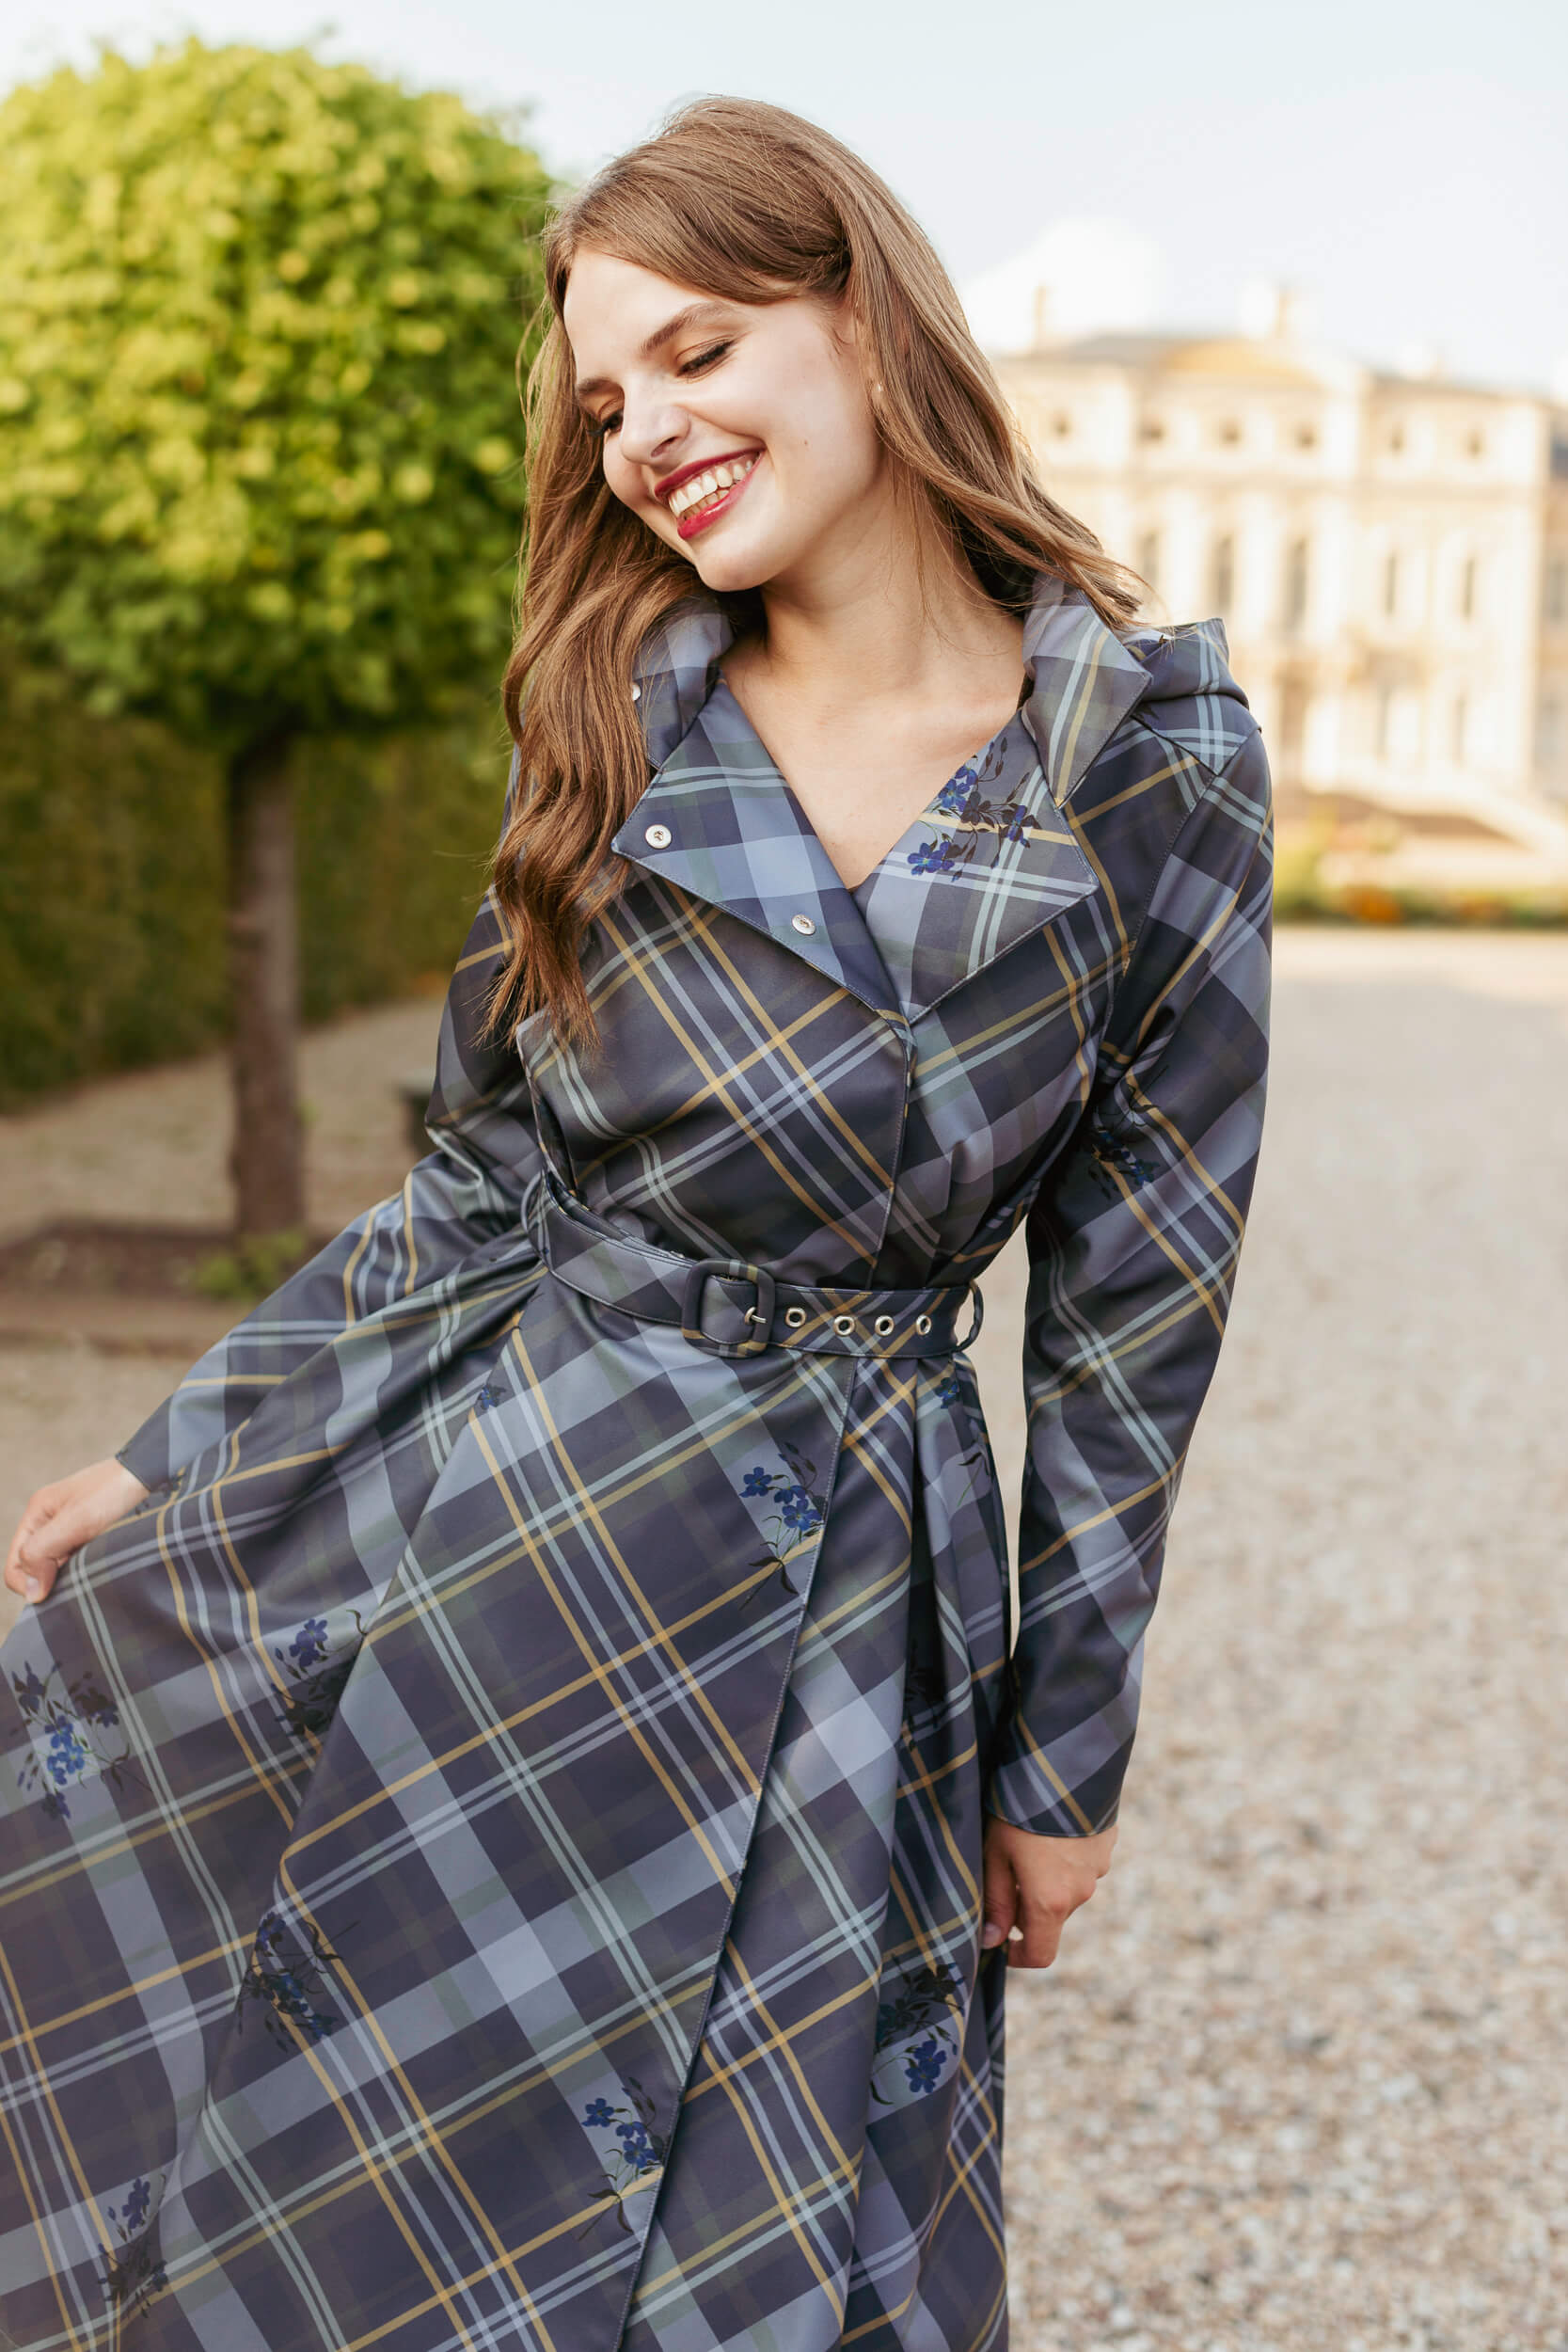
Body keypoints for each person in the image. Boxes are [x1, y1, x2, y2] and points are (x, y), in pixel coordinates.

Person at [0, 96, 1270, 2352]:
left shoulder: (1148, 756)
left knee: (760, 2234)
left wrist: (1064, 1752)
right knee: (372, 2163)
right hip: (507, 1535)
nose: (647, 433)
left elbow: (1136, 1304)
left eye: (698, 352)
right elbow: (479, 1184)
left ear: (862, 314)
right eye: (606, 400)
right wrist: (189, 1456)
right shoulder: (609, 716)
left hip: (853, 1595)